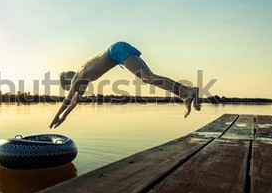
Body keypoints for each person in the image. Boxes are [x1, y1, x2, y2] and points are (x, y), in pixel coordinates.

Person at [49, 41, 201, 128]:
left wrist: (57, 116)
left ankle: (187, 92)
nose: (72, 89)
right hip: (117, 51)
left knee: (148, 77)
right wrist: (64, 117)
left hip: (116, 52)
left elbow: (68, 100)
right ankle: (186, 93)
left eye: (68, 87)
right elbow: (75, 100)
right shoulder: (82, 76)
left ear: (67, 81)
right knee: (148, 77)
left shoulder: (77, 76)